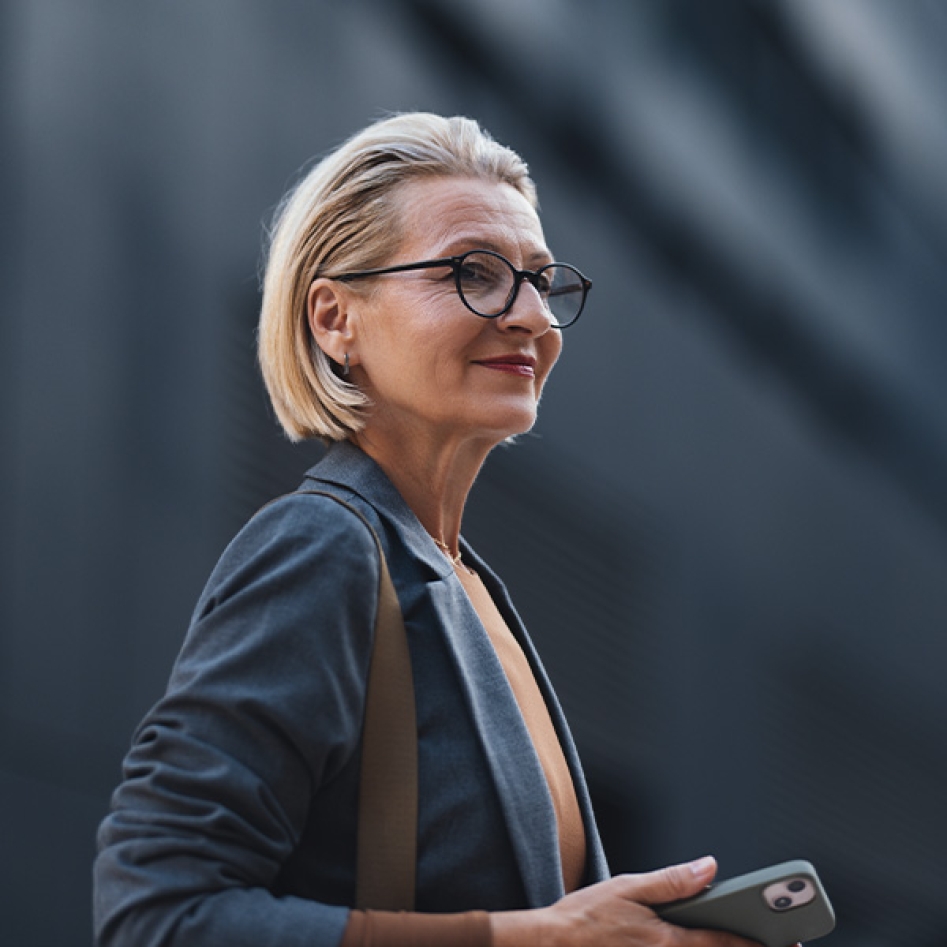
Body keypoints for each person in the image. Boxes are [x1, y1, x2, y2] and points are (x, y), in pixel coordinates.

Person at [94, 112, 761, 947]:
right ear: (335, 319)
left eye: (540, 280)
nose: (532, 316)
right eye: (473, 272)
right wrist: (527, 939)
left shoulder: (468, 586)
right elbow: (157, 915)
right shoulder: (320, 548)